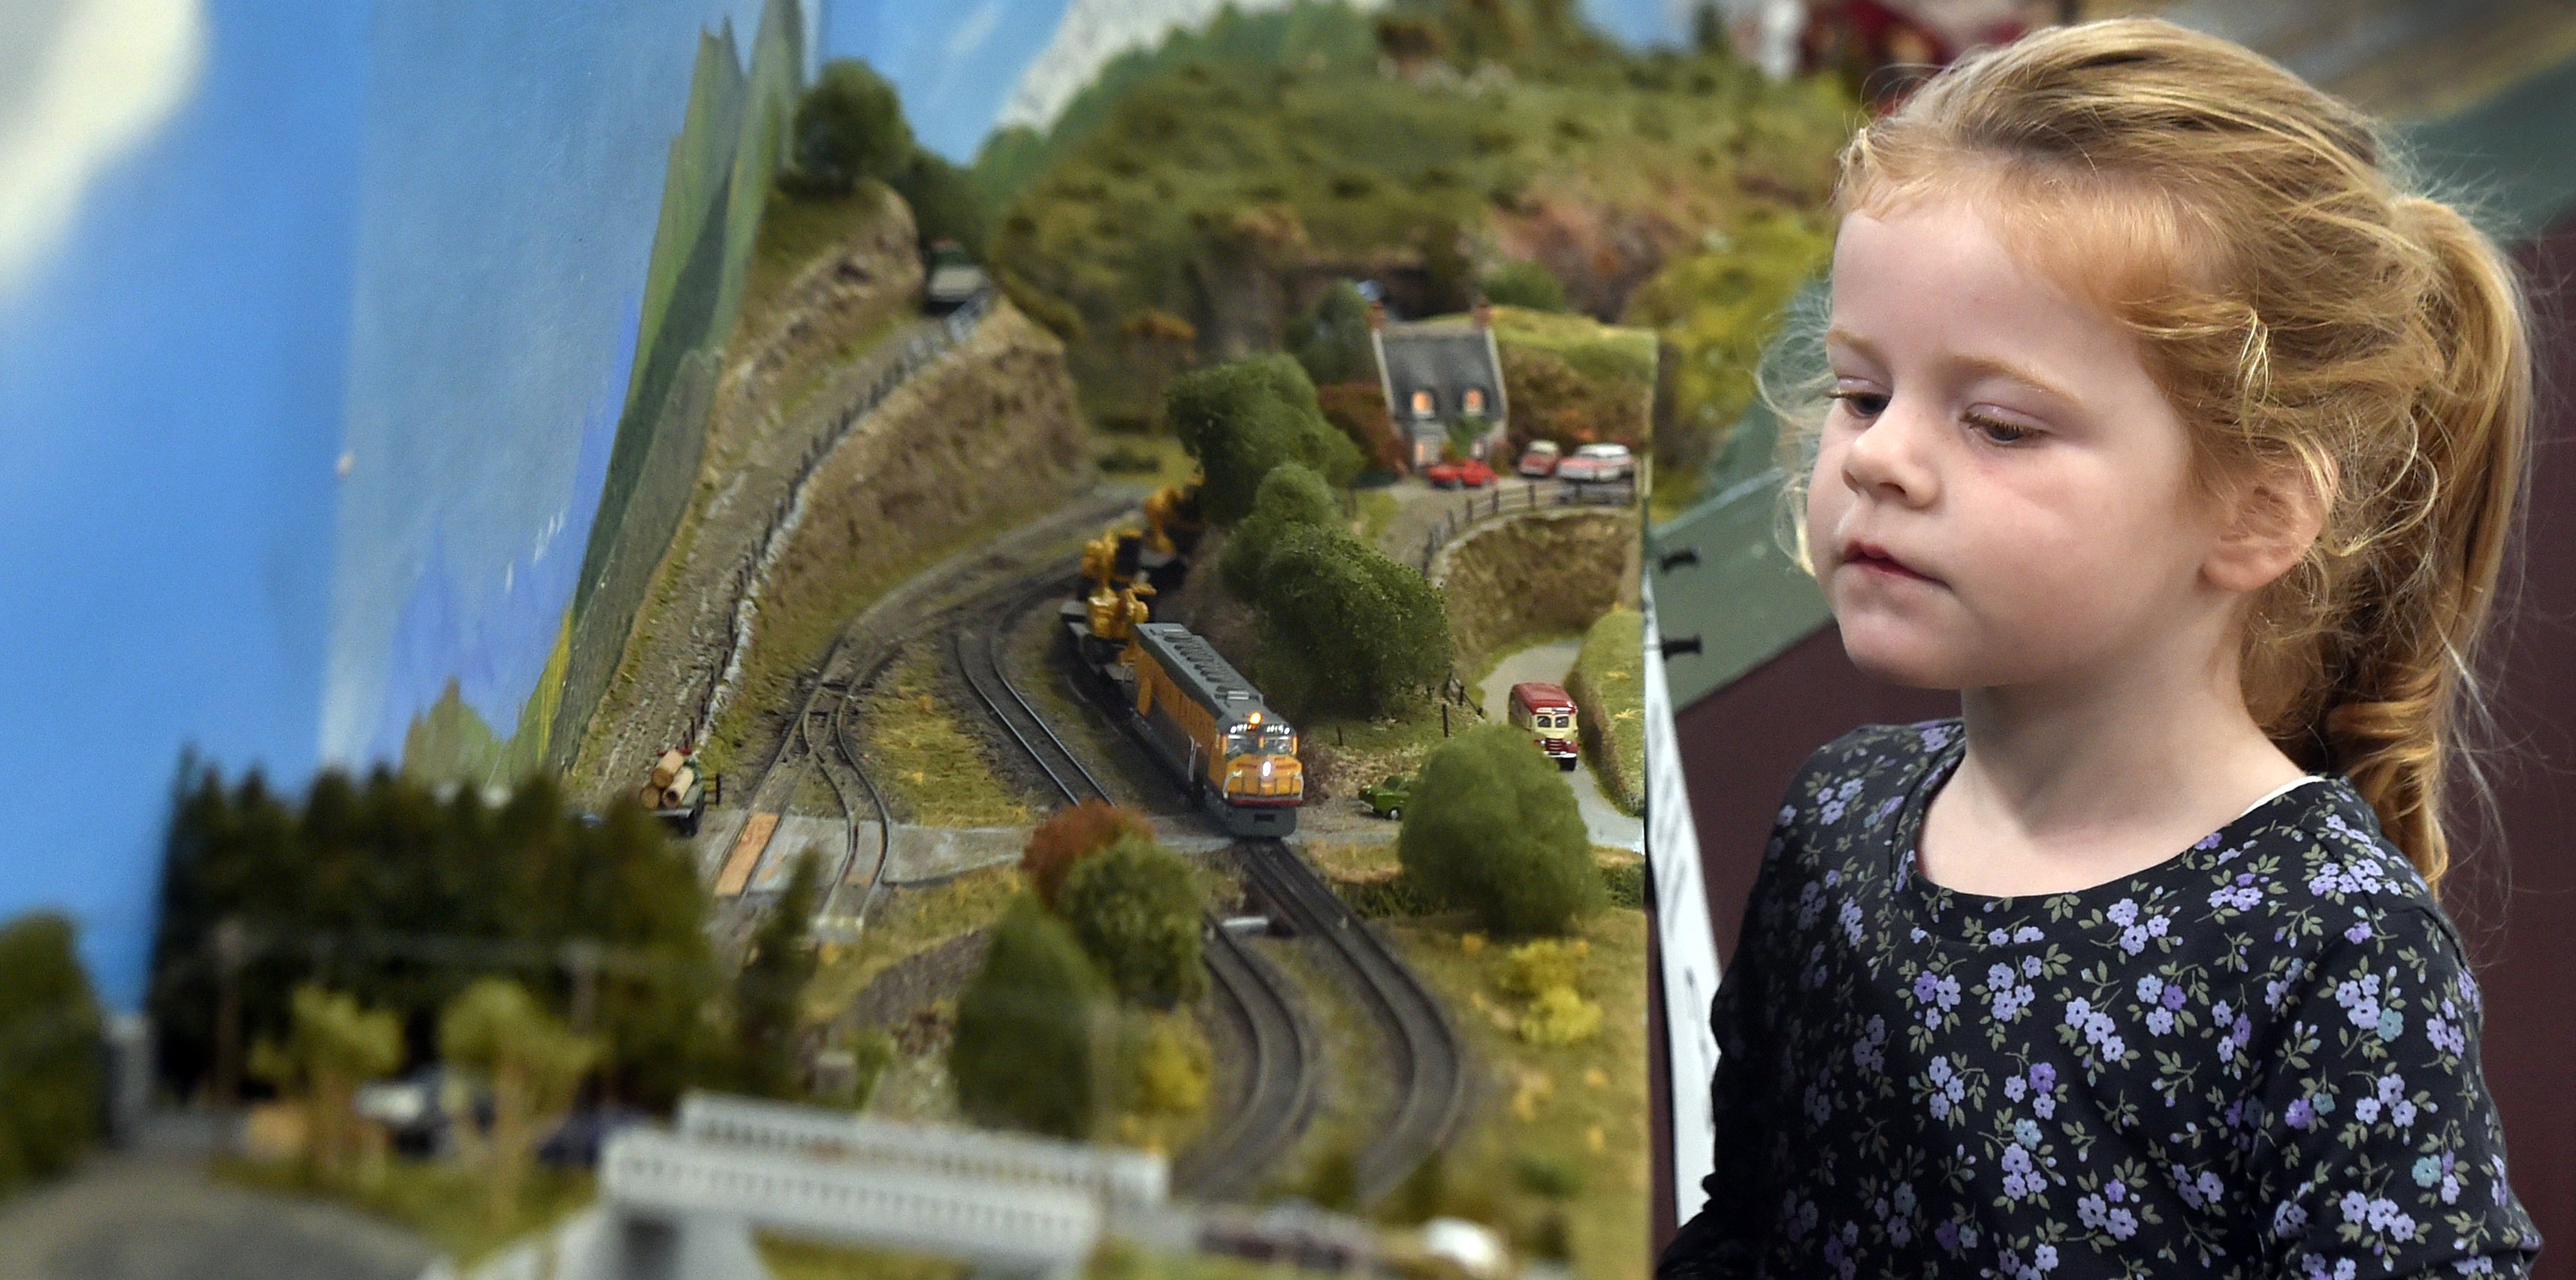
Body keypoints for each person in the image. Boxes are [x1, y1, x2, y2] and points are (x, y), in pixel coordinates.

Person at [1659, 18, 2542, 1279]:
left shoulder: (2326, 945)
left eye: (2000, 425)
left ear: (2255, 511)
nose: (1875, 457)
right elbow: (1744, 1229)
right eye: (1862, 391)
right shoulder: (1835, 822)